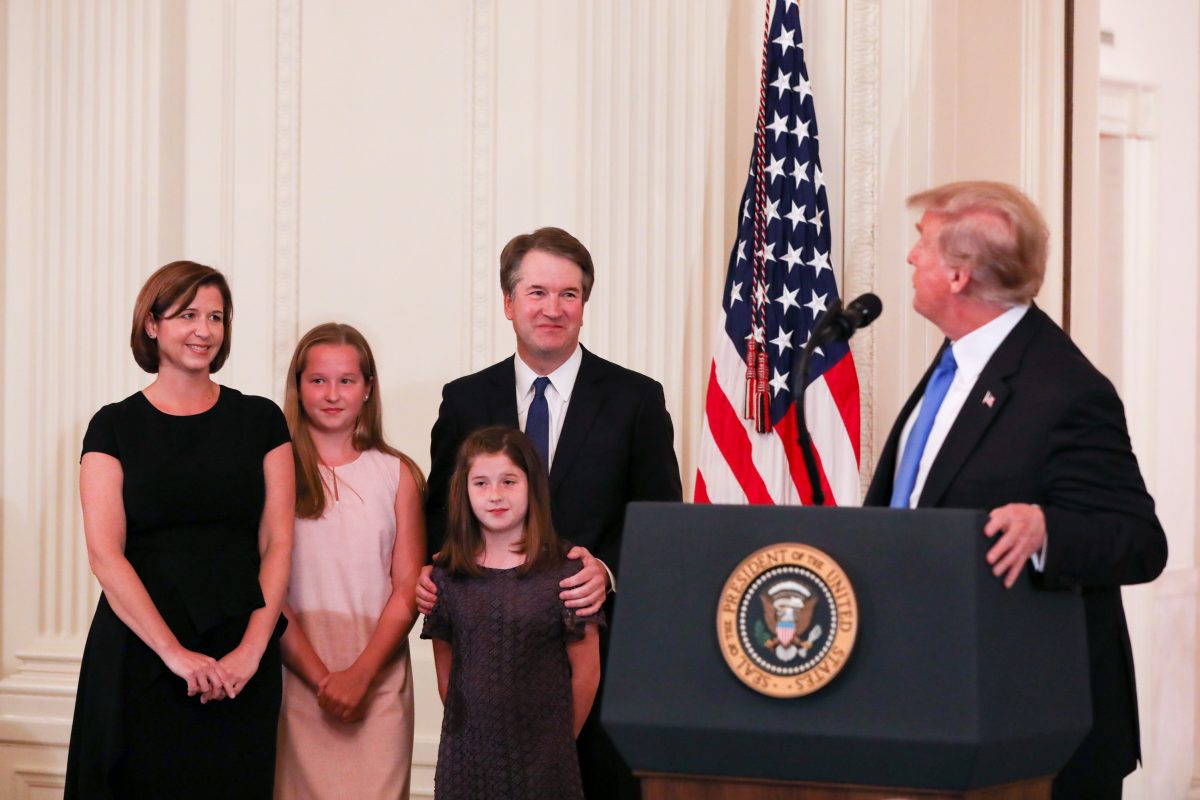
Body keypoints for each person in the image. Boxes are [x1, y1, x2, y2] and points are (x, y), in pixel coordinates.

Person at [865, 181, 1167, 799]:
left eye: (921, 243)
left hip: (1036, 729)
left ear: (959, 275)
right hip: (936, 703)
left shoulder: (1066, 388)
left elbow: (1140, 541)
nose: (910, 258)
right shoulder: (959, 360)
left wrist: (1048, 532)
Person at [419, 226, 683, 799]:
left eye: (569, 294)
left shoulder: (636, 398)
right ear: (509, 302)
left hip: (598, 648)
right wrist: (440, 571)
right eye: (537, 292)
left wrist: (606, 574)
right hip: (490, 658)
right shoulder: (464, 398)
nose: (553, 308)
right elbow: (438, 511)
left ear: (584, 306)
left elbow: (660, 518)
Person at [65, 261, 294, 798]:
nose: (204, 330)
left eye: (215, 316)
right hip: (140, 651)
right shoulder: (112, 425)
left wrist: (251, 651)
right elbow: (105, 554)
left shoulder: (261, 420)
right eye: (188, 314)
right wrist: (173, 653)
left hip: (240, 649)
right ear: (152, 324)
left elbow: (278, 541)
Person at [275, 323, 425, 799]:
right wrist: (322, 679)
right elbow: (266, 589)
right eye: (318, 380)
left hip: (376, 679)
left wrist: (360, 675)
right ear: (298, 387)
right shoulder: (274, 473)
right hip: (293, 678)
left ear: (368, 389)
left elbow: (408, 588)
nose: (332, 394)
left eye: (346, 380)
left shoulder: (396, 473)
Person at [421, 426, 603, 799]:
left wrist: (557, 741)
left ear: (531, 486)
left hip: (546, 759)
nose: (495, 495)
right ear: (464, 491)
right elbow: (447, 664)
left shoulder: (566, 570)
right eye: (481, 484)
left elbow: (587, 672)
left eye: (508, 481)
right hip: (465, 756)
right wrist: (472, 731)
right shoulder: (447, 573)